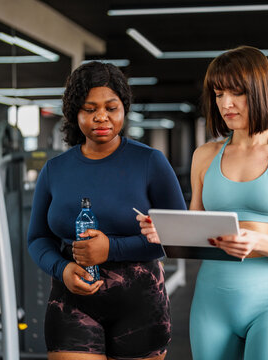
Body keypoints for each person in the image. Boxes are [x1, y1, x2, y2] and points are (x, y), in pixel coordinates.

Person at [139, 46, 268, 359]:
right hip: (212, 300)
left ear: (259, 92)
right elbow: (196, 238)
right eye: (219, 94)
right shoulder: (204, 156)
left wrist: (257, 241)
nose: (226, 104)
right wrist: (165, 234)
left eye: (236, 93)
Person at [27, 61, 186, 360]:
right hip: (71, 300)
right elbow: (37, 239)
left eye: (111, 108)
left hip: (140, 307)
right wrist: (62, 268)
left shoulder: (150, 162)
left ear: (123, 109)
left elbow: (179, 237)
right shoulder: (55, 170)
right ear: (76, 113)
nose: (101, 116)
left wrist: (110, 248)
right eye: (89, 108)